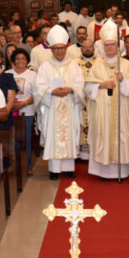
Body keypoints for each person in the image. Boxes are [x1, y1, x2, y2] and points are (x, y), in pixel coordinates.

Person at [84, 22, 129, 180]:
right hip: (102, 111)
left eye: (112, 44)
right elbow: (87, 88)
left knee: (120, 137)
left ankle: (119, 171)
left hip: (121, 110)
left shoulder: (127, 65)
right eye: (107, 45)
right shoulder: (96, 66)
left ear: (118, 45)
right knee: (103, 136)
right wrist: (100, 85)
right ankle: (102, 171)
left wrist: (123, 81)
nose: (109, 47)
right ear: (102, 46)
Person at [34, 25, 85, 179]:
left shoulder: (74, 65)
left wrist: (71, 90)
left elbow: (81, 85)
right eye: (56, 48)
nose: (59, 51)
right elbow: (38, 88)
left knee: (69, 134)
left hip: (70, 106)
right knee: (54, 136)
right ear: (51, 49)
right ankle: (54, 170)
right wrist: (51, 91)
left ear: (66, 47)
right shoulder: (45, 67)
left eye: (62, 48)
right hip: (52, 108)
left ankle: (69, 168)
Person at [8, 48, 37, 175]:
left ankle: (27, 166)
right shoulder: (8, 74)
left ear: (27, 60)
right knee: (11, 140)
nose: (20, 61)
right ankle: (12, 167)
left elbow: (37, 94)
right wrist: (11, 104)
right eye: (17, 58)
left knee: (26, 140)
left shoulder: (33, 75)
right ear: (13, 60)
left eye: (23, 59)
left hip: (27, 112)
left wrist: (24, 103)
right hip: (10, 111)